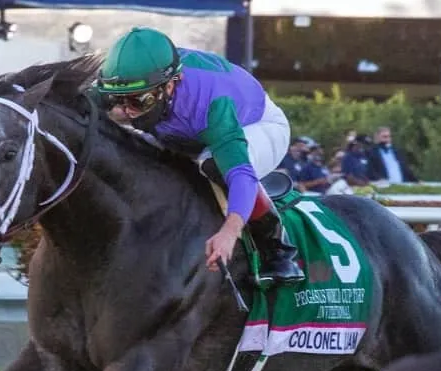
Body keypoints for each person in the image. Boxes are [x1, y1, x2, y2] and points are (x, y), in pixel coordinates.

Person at [96, 27, 304, 283]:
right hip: (187, 129)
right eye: (119, 99)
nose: (127, 110)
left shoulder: (212, 104)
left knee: (213, 163)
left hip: (256, 125)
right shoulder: (132, 81)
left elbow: (241, 174)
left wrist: (229, 232)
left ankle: (276, 246)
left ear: (170, 85)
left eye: (138, 102)